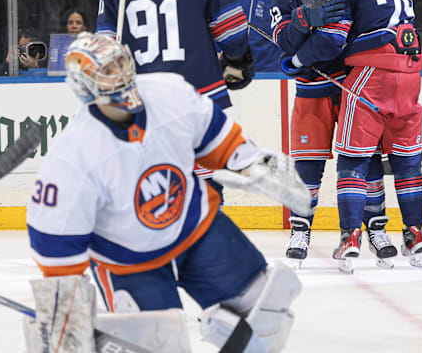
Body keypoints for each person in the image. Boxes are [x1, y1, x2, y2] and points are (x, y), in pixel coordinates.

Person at [26, 32, 308, 352]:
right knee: (159, 347)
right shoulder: (73, 156)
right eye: (106, 70)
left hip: (196, 226)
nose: (120, 73)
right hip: (130, 261)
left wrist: (252, 163)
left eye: (121, 61)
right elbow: (54, 246)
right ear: (85, 85)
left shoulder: (167, 91)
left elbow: (216, 138)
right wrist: (67, 318)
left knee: (265, 317)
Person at [281, 0, 422, 272]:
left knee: (356, 161)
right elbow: (284, 37)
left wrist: (298, 61)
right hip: (408, 69)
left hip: (365, 76)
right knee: (406, 163)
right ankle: (415, 235)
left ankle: (354, 236)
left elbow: (332, 40)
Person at [96, 0, 253, 110]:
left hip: (142, 100)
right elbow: (233, 32)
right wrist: (236, 60)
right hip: (198, 93)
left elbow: (104, 49)